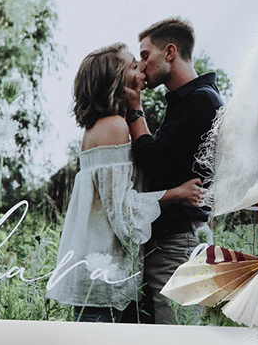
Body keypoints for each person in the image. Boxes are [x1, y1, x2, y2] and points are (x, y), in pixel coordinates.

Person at [47, 42, 203, 322]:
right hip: (105, 270)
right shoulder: (113, 127)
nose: (142, 68)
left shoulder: (103, 125)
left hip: (101, 269)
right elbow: (122, 209)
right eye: (133, 65)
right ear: (116, 81)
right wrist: (177, 193)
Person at [125, 17, 224, 324]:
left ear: (169, 52)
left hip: (176, 243)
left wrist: (134, 110)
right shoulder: (189, 101)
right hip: (176, 239)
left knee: (178, 337)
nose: (141, 66)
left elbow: (153, 164)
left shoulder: (200, 101)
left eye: (145, 55)